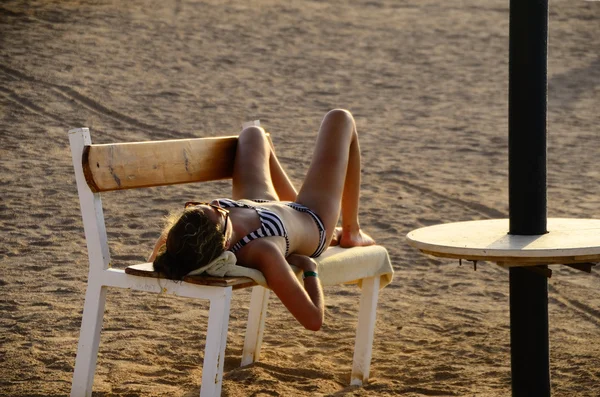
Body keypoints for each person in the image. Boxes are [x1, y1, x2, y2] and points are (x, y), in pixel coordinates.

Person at [149, 109, 375, 331]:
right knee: (340, 118)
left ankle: (297, 202)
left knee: (253, 133)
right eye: (218, 212)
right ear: (225, 244)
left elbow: (168, 248)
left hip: (260, 204)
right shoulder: (262, 250)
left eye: (203, 205)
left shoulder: (192, 231)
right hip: (311, 217)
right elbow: (313, 319)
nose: (217, 205)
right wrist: (309, 268)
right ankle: (350, 231)